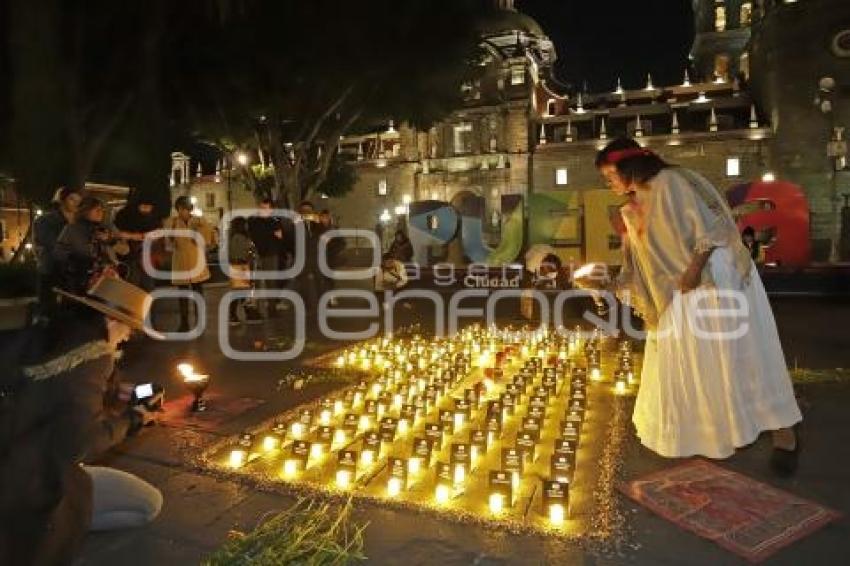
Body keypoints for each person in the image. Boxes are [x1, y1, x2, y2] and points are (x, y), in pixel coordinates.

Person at [595, 138, 802, 474]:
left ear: (627, 166)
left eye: (609, 175)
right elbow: (641, 268)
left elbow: (715, 225)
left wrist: (693, 270)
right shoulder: (635, 208)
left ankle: (784, 434)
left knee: (742, 357)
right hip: (682, 292)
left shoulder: (672, 181)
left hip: (715, 280)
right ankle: (707, 433)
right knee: (696, 363)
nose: (609, 184)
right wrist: (604, 284)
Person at [0, 277, 163, 565]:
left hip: (14, 456)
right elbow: (82, 443)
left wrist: (116, 393)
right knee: (147, 504)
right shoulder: (92, 360)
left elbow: (57, 395)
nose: (127, 337)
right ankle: (60, 531)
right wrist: (133, 420)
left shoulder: (51, 335)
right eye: (129, 328)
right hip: (33, 487)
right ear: (112, 321)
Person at [164, 196, 213, 333]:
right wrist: (171, 238)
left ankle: (200, 322)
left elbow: (207, 241)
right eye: (182, 209)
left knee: (198, 294)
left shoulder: (199, 221)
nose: (185, 211)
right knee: (183, 296)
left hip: (196, 262)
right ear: (178, 209)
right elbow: (168, 246)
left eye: (187, 208)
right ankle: (184, 323)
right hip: (181, 263)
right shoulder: (172, 222)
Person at [33, 187, 82, 321]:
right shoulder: (45, 220)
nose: (76, 203)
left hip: (72, 274)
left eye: (79, 200)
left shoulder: (79, 223)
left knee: (69, 312)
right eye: (72, 199)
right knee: (47, 310)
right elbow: (51, 243)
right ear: (62, 200)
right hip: (50, 270)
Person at [54, 196, 118, 295]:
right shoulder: (72, 229)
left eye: (102, 209)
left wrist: (109, 240)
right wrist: (80, 263)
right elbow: (59, 256)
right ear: (85, 210)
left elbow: (124, 250)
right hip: (79, 282)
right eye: (96, 209)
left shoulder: (106, 229)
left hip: (105, 282)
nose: (100, 212)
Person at [113, 194, 162, 292]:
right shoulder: (125, 216)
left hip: (147, 260)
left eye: (149, 207)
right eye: (143, 206)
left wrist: (136, 236)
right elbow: (118, 234)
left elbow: (157, 234)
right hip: (129, 259)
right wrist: (135, 237)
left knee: (148, 288)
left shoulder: (154, 219)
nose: (146, 210)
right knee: (132, 287)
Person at [248, 198, 284, 316]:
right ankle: (256, 310)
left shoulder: (275, 220)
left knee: (271, 282)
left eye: (265, 208)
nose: (262, 210)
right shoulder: (254, 220)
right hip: (257, 255)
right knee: (256, 283)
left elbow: (280, 236)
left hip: (271, 254)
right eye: (261, 207)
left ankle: (272, 309)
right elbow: (253, 235)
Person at [227, 217, 261, 326]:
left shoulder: (234, 237)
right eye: (245, 224)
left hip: (238, 266)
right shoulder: (239, 237)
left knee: (241, 291)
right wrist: (251, 252)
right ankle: (238, 315)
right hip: (240, 266)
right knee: (240, 292)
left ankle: (244, 313)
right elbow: (244, 252)